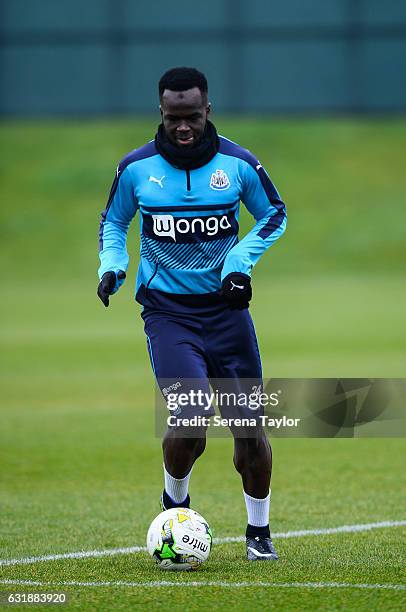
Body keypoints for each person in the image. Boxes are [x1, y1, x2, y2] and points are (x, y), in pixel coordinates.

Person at [97, 67, 287, 561]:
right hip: (168, 315)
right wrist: (113, 266)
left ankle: (259, 533)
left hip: (227, 314)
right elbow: (114, 221)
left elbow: (274, 213)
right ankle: (174, 505)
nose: (184, 127)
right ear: (161, 113)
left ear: (209, 111)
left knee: (251, 431)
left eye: (193, 117)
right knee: (191, 413)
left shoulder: (238, 165)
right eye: (174, 117)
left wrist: (240, 264)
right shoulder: (136, 168)